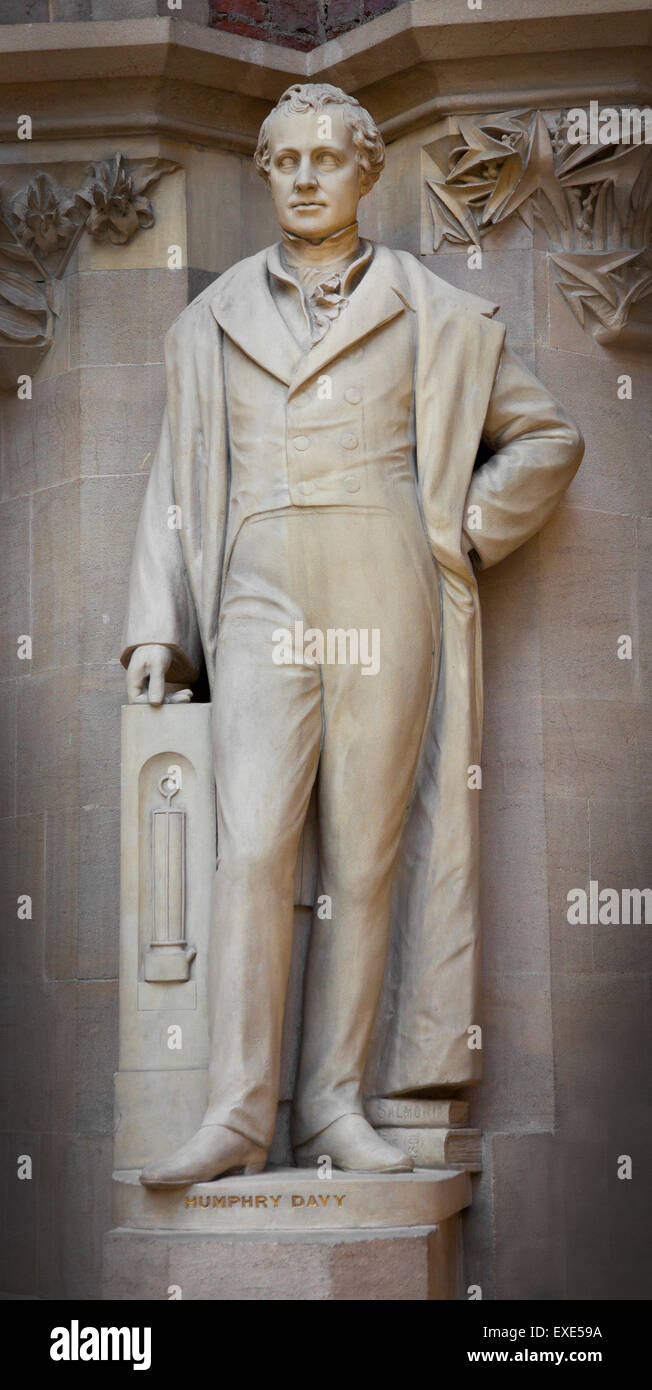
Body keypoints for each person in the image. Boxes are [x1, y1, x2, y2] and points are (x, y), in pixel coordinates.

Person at [122, 83, 583, 1186]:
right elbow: (171, 481)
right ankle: (237, 1112)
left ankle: (331, 1105)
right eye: (286, 161)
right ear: (265, 172)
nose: (308, 177)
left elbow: (546, 438)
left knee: (366, 857)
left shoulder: (435, 312)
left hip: (385, 576)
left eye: (330, 158)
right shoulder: (212, 318)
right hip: (257, 588)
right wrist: (157, 627)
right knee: (253, 849)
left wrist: (466, 527)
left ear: (367, 172)